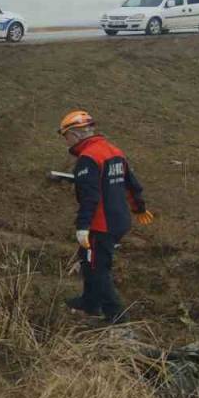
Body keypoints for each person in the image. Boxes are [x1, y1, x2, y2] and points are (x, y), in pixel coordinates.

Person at [59, 110, 155, 323]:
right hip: (120, 219)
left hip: (101, 223)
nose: (66, 141)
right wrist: (139, 208)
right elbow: (130, 183)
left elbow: (90, 196)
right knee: (88, 260)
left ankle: (117, 317)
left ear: (75, 134)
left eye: (65, 136)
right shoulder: (113, 151)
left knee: (97, 269)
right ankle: (89, 302)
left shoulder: (88, 158)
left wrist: (83, 226)